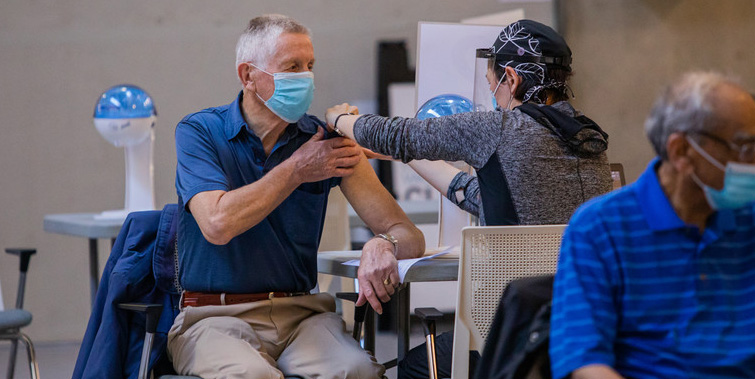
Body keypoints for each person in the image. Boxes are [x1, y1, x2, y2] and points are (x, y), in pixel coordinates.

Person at [326, 19, 613, 379]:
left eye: (492, 81)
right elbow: (475, 193)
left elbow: (398, 135)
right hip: (586, 337)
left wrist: (339, 119)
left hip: (511, 339)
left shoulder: (498, 128)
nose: (491, 91)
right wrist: (410, 158)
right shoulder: (590, 141)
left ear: (511, 78)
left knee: (414, 368)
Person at [167, 14, 425, 379]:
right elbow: (217, 223)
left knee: (358, 372)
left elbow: (408, 234)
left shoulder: (325, 141)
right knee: (251, 376)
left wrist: (384, 243)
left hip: (302, 315)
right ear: (248, 76)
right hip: (214, 317)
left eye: (309, 66)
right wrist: (297, 170)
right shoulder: (200, 132)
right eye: (292, 67)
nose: (305, 78)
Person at [550, 71, 755, 379]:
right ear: (682, 151)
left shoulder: (747, 218)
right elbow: (584, 362)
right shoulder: (599, 229)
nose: (752, 162)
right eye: (745, 147)